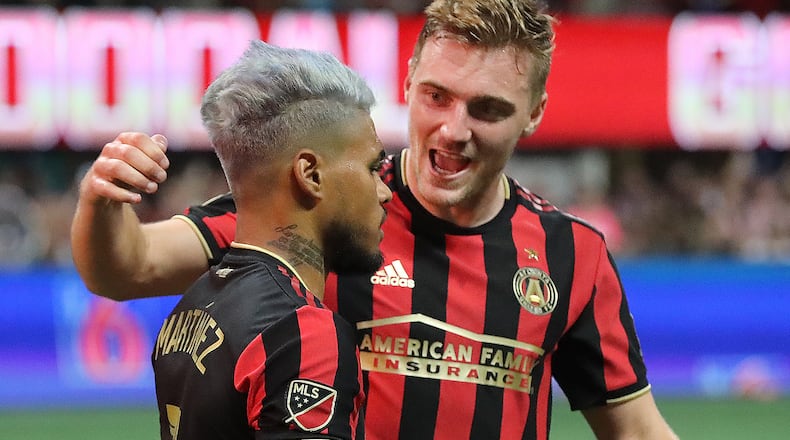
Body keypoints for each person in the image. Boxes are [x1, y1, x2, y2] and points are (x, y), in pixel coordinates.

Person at [71, 0, 678, 438]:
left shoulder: (572, 255)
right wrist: (104, 195)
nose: (454, 130)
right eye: (437, 96)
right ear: (408, 81)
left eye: (488, 109)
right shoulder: (324, 205)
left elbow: (636, 430)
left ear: (536, 113)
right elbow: (127, 268)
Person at [146, 40, 391, 439]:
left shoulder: (188, 310)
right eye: (372, 167)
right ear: (310, 175)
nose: (384, 191)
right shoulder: (304, 332)